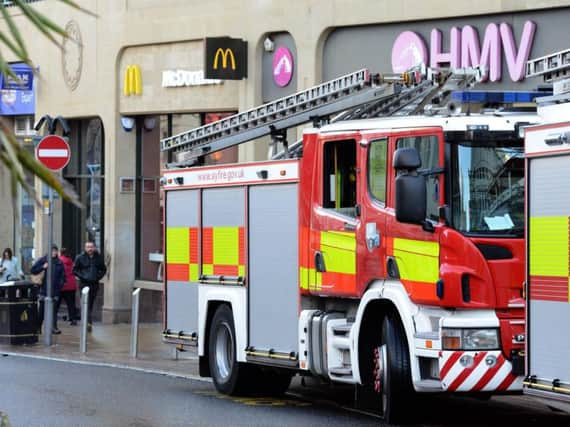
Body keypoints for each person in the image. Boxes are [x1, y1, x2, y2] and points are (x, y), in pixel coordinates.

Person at [73, 241, 106, 332]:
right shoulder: (80, 257)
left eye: (91, 247)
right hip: (84, 284)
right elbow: (75, 270)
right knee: (85, 303)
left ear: (94, 248)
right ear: (85, 248)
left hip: (94, 284)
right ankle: (88, 322)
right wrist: (83, 276)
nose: (90, 249)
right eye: (88, 247)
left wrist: (97, 277)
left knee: (90, 304)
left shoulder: (98, 258)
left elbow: (103, 269)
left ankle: (87, 321)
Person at [31, 245, 65, 334]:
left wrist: (60, 285)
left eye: (55, 251)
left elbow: (62, 276)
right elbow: (33, 270)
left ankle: (54, 327)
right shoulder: (43, 260)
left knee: (54, 311)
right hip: (44, 289)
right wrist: (43, 267)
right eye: (52, 251)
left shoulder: (59, 262)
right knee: (41, 310)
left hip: (55, 290)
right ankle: (38, 327)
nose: (54, 253)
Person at [56, 247, 78, 326]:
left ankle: (53, 318)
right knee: (71, 304)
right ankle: (73, 319)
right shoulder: (71, 261)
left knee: (56, 304)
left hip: (62, 285)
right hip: (71, 285)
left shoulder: (59, 261)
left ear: (60, 253)